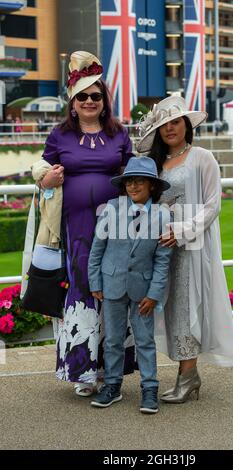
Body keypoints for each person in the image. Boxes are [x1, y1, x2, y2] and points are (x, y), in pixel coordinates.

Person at [38, 51, 136, 396]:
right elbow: (40, 167)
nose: (90, 101)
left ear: (104, 100)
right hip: (76, 227)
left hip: (115, 228)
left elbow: (135, 170)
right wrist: (44, 179)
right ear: (73, 102)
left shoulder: (119, 134)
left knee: (114, 289)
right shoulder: (59, 135)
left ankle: (113, 373)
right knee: (82, 289)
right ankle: (83, 372)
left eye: (96, 95)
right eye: (83, 96)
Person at [137, 96, 233, 404]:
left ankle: (188, 377)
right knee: (168, 307)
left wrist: (182, 232)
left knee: (188, 306)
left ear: (186, 125)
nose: (170, 129)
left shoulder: (202, 157)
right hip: (159, 246)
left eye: (175, 122)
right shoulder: (155, 165)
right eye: (163, 125)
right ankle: (183, 376)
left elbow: (213, 205)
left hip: (191, 246)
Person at [88, 156, 173, 413]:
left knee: (145, 340)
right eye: (129, 182)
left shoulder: (162, 216)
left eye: (139, 182)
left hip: (143, 291)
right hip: (112, 284)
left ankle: (149, 389)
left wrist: (154, 293)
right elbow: (97, 249)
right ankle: (112, 386)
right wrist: (95, 281)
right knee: (112, 339)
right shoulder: (112, 209)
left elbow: (162, 261)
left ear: (152, 186)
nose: (133, 187)